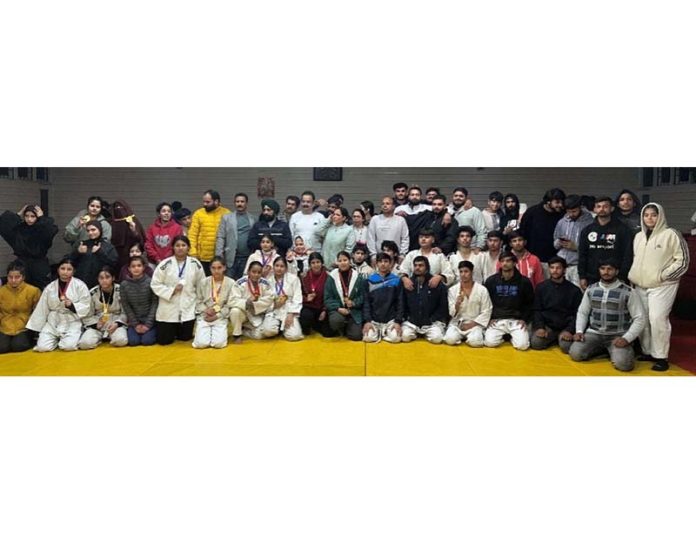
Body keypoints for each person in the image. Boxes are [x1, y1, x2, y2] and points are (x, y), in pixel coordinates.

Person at [628, 203, 690, 371]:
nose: (649, 218)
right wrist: (633, 276)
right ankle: (648, 351)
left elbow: (683, 261)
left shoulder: (671, 234)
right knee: (643, 319)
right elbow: (636, 258)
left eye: (653, 215)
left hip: (663, 285)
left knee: (657, 318)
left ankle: (661, 356)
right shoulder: (639, 236)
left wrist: (664, 275)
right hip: (640, 285)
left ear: (660, 216)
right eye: (646, 215)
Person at [570, 259, 646, 372]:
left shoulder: (629, 292)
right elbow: (583, 312)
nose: (606, 272)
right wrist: (579, 331)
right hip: (594, 334)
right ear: (599, 270)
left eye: (610, 269)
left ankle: (615, 350)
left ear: (616, 271)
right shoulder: (591, 289)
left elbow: (640, 318)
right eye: (603, 268)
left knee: (624, 365)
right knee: (575, 354)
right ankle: (605, 350)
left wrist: (627, 338)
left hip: (618, 336)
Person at [26, 258, 91, 352]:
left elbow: (85, 304)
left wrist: (72, 305)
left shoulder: (80, 285)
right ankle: (55, 339)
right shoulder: (50, 287)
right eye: (62, 268)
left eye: (69, 269)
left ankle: (68, 339)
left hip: (72, 319)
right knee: (42, 348)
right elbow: (43, 308)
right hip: (54, 320)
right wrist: (37, 326)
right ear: (58, 270)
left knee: (68, 347)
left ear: (74, 271)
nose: (65, 272)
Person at [150, 235, 206, 345]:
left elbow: (202, 284)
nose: (180, 248)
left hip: (188, 305)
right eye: (177, 245)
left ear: (188, 248)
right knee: (164, 341)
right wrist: (172, 290)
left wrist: (199, 304)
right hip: (168, 307)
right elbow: (155, 284)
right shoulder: (165, 264)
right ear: (173, 248)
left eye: (183, 245)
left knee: (185, 338)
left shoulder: (195, 264)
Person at [577, 196, 634, 289]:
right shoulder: (587, 230)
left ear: (612, 208)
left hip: (616, 278)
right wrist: (582, 276)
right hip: (592, 277)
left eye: (605, 206)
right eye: (598, 206)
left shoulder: (623, 230)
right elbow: (582, 255)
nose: (601, 209)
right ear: (594, 209)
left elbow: (627, 255)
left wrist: (622, 276)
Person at [530, 256, 583, 352]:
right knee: (536, 343)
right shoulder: (541, 287)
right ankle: (553, 338)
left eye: (558, 268)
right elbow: (537, 310)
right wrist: (540, 327)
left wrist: (569, 330)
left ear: (564, 270)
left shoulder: (574, 290)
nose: (555, 271)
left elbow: (578, 314)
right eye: (552, 267)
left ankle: (558, 338)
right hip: (548, 326)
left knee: (566, 347)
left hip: (565, 326)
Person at [483, 251, 534, 350]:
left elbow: (530, 303)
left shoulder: (524, 282)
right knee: (489, 343)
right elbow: (486, 302)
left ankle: (512, 337)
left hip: (516, 320)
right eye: (502, 261)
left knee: (522, 346)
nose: (505, 263)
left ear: (515, 263)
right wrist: (489, 318)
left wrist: (524, 319)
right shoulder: (491, 281)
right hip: (497, 320)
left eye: (508, 261)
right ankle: (504, 336)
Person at [0, 204, 58, 289]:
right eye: (26, 216)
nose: (29, 219)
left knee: (43, 289)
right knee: (20, 288)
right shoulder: (20, 229)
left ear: (37, 217)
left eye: (32, 216)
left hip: (39, 264)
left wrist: (42, 217)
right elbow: (4, 224)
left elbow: (50, 231)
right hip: (22, 263)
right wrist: (18, 214)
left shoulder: (42, 229)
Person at [192, 257, 238, 349]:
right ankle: (205, 332)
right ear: (210, 269)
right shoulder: (203, 282)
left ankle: (217, 333)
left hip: (220, 316)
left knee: (219, 344)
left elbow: (230, 304)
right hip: (205, 315)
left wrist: (217, 314)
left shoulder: (231, 283)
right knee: (201, 344)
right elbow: (198, 300)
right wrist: (206, 310)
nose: (216, 271)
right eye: (213, 268)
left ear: (224, 268)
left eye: (219, 268)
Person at [400, 256, 448, 344]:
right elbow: (402, 304)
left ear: (427, 268)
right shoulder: (408, 283)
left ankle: (426, 333)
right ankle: (416, 333)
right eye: (415, 265)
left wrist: (432, 319)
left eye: (421, 265)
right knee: (405, 336)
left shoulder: (436, 283)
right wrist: (408, 317)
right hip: (412, 322)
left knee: (437, 338)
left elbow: (443, 306)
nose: (417, 268)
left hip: (431, 322)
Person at [78, 266, 128, 349]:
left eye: (107, 277)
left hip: (115, 322)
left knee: (121, 340)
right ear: (98, 279)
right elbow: (87, 314)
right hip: (98, 323)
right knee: (84, 344)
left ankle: (111, 335)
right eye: (101, 278)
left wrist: (117, 323)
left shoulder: (121, 290)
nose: (104, 280)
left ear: (113, 278)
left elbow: (126, 312)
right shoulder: (92, 293)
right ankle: (100, 337)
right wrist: (95, 324)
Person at [444, 261, 492, 347]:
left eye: (466, 271)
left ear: (472, 272)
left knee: (476, 342)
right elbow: (451, 313)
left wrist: (472, 324)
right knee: (450, 339)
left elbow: (487, 310)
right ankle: (461, 337)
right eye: (461, 272)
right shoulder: (453, 290)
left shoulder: (482, 290)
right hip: (458, 324)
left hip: (475, 323)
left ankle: (469, 337)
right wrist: (457, 305)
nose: (463, 274)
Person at [519, 188, 566, 275]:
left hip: (557, 260)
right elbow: (523, 233)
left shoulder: (563, 214)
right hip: (535, 259)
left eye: (562, 202)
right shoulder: (532, 213)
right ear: (548, 202)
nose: (560, 205)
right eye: (557, 202)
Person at [0, 260, 41, 353]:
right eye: (10, 277)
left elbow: (38, 311)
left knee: (18, 346)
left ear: (23, 277)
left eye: (17, 277)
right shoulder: (1, 291)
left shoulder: (33, 291)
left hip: (24, 326)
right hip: (4, 326)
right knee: (2, 348)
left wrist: (32, 325)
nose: (13, 280)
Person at [553, 194, 594, 286]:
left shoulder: (590, 223)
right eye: (568, 212)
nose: (571, 214)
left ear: (580, 207)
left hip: (578, 266)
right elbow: (554, 244)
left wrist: (576, 247)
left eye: (574, 211)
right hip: (562, 265)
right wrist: (559, 242)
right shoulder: (561, 222)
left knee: (577, 294)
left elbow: (593, 248)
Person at [362, 252, 403, 343]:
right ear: (376, 264)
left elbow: (400, 302)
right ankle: (379, 333)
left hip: (390, 320)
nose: (383, 264)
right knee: (368, 338)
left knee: (396, 339)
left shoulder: (396, 280)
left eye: (386, 261)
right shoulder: (369, 281)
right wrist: (367, 320)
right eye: (380, 261)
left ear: (391, 264)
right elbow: (366, 302)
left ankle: (383, 334)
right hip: (374, 320)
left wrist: (398, 321)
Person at [188, 189, 231, 275]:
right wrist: (193, 253)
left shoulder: (227, 214)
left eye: (208, 202)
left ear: (216, 201)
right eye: (204, 202)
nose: (205, 204)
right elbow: (192, 235)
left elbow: (230, 237)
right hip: (202, 258)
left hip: (220, 258)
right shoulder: (198, 214)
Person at [261, 256, 304, 341]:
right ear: (273, 267)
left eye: (282, 266)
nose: (279, 268)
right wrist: (274, 305)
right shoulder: (268, 281)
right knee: (267, 331)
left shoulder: (294, 279)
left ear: (286, 268)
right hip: (274, 310)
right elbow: (265, 299)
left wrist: (291, 313)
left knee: (294, 336)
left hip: (288, 308)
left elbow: (297, 297)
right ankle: (278, 328)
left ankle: (284, 328)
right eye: (277, 266)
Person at [325, 251, 365, 340]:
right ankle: (341, 326)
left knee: (356, 336)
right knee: (336, 321)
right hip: (338, 310)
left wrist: (354, 303)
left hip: (353, 311)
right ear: (337, 262)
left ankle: (348, 327)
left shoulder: (358, 277)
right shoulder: (332, 277)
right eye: (340, 261)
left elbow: (363, 296)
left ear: (350, 261)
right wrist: (338, 308)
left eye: (345, 260)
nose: (342, 263)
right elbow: (327, 298)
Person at [215, 192, 256, 280]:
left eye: (242, 201)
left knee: (244, 284)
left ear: (246, 203)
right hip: (231, 258)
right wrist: (218, 256)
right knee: (229, 283)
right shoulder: (226, 218)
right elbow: (221, 237)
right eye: (237, 202)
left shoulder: (253, 219)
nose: (239, 204)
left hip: (247, 257)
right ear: (234, 203)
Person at [119, 256, 158, 346]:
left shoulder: (150, 282)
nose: (136, 268)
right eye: (133, 266)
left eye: (139, 266)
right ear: (129, 268)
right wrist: (135, 325)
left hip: (150, 321)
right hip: (134, 322)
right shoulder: (124, 285)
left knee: (147, 341)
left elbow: (154, 304)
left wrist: (148, 324)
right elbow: (126, 306)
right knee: (133, 342)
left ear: (143, 267)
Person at [232, 261, 274, 342]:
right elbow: (233, 300)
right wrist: (247, 302)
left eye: (259, 272)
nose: (256, 275)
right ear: (248, 272)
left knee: (259, 335)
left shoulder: (265, 283)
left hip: (259, 313)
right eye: (253, 272)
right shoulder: (240, 283)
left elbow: (270, 299)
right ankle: (237, 334)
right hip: (244, 313)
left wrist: (256, 304)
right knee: (234, 311)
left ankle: (245, 331)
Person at [71, 221, 119, 289]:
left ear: (100, 230)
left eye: (93, 230)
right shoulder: (83, 245)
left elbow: (114, 263)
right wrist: (78, 252)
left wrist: (100, 252)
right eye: (88, 230)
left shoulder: (108, 246)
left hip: (101, 284)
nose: (90, 233)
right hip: (82, 283)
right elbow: (70, 262)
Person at [366, 196, 409, 264]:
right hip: (379, 258)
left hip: (396, 258)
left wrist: (402, 254)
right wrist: (373, 255)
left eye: (387, 203)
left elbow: (405, 239)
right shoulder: (375, 219)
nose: (385, 206)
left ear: (393, 206)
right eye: (383, 204)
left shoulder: (401, 220)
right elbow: (370, 239)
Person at [299, 252, 333, 337]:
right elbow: (298, 294)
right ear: (310, 264)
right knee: (306, 323)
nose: (316, 265)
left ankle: (316, 324)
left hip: (323, 308)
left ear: (322, 263)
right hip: (309, 306)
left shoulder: (328, 277)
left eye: (318, 262)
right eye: (313, 263)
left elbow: (331, 296)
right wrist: (306, 298)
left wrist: (325, 310)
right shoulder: (304, 276)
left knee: (328, 333)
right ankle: (312, 323)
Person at [109, 199, 146, 270]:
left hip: (133, 256)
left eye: (121, 208)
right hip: (118, 257)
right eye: (117, 209)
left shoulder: (134, 221)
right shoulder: (111, 223)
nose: (119, 211)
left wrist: (134, 231)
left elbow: (141, 240)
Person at [145, 202, 183, 267]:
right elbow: (148, 245)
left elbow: (177, 245)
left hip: (171, 262)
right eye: (163, 211)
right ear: (159, 214)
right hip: (153, 262)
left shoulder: (177, 228)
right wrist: (157, 259)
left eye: (169, 211)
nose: (166, 213)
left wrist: (165, 259)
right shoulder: (151, 228)